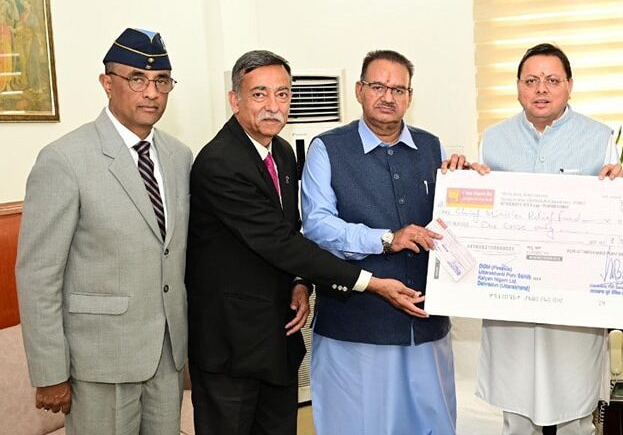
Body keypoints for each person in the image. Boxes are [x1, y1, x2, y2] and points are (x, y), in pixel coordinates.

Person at [187, 50, 426, 435]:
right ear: (235, 99)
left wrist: (300, 282)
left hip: (277, 340)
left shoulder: (281, 151)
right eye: (259, 94)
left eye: (282, 94)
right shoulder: (220, 163)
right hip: (231, 346)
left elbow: (291, 229)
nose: (273, 105)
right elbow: (279, 242)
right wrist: (371, 283)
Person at [16, 28, 191, 434]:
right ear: (107, 83)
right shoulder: (64, 160)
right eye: (137, 79)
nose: (152, 92)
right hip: (99, 362)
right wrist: (50, 372)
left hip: (166, 357)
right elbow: (38, 275)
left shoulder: (179, 156)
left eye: (162, 80)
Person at [447, 42, 622, 435]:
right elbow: (479, 214)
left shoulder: (599, 138)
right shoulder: (494, 139)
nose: (541, 89)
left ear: (570, 85)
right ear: (518, 87)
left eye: (552, 80)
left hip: (574, 301)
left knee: (576, 416)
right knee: (517, 415)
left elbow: (611, 216)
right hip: (513, 300)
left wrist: (621, 189)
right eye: (531, 80)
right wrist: (461, 184)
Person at [300, 49, 456, 434]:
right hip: (355, 326)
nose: (388, 97)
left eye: (398, 89)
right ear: (359, 90)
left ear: (410, 97)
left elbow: (454, 217)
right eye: (377, 86)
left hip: (425, 325)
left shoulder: (433, 147)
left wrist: (476, 183)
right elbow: (317, 225)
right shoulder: (327, 148)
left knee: (430, 424)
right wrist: (386, 239)